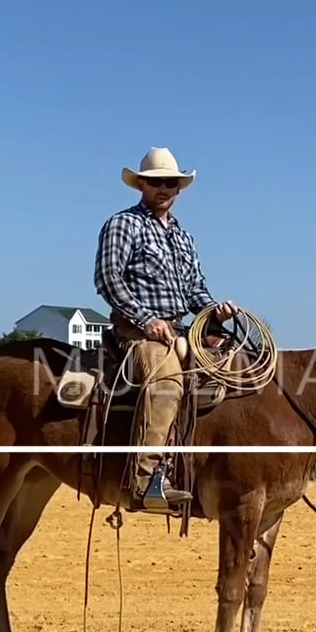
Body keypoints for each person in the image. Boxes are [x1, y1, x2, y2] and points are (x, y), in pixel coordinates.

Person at [94, 147, 238, 512]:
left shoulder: (184, 237)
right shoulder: (122, 225)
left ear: (179, 188)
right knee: (167, 381)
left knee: (232, 372)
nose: (164, 188)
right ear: (141, 184)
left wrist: (214, 312)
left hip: (178, 330)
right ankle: (146, 479)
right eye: (156, 182)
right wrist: (146, 320)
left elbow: (195, 289)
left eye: (170, 183)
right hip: (136, 332)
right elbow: (108, 280)